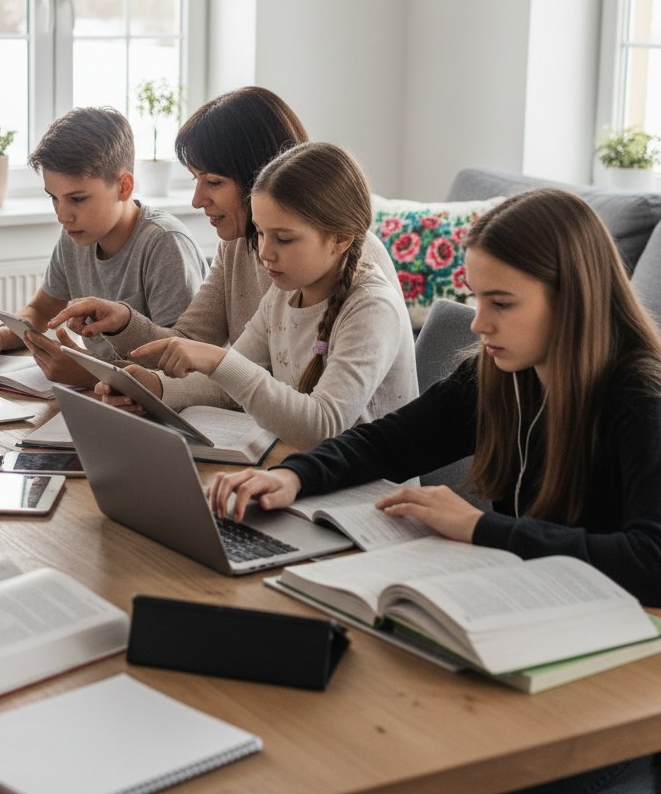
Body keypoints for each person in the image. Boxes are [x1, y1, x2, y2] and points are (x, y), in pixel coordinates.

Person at [206, 187, 661, 794]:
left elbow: (652, 562)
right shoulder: (501, 373)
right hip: (527, 625)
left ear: (574, 300)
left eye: (501, 302)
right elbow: (390, 442)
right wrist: (294, 475)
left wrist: (480, 527)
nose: (478, 323)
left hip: (621, 676)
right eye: (477, 298)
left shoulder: (640, 399)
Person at [97, 142, 418, 450]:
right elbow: (229, 386)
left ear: (340, 239)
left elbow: (321, 426)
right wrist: (154, 388)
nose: (265, 253)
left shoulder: (372, 307)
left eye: (284, 238)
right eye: (261, 232)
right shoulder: (284, 293)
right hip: (308, 470)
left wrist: (218, 359)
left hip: (374, 492)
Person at [50, 86, 401, 359]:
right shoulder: (235, 246)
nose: (197, 200)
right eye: (195, 180)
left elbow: (315, 409)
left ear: (264, 178)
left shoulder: (346, 258)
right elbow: (191, 343)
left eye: (213, 182)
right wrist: (124, 321)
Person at [0, 107, 207, 387]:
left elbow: (182, 364)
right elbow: (39, 311)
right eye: (54, 198)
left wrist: (89, 373)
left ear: (124, 186)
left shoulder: (164, 243)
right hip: (109, 399)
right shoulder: (75, 237)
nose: (62, 216)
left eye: (77, 199)